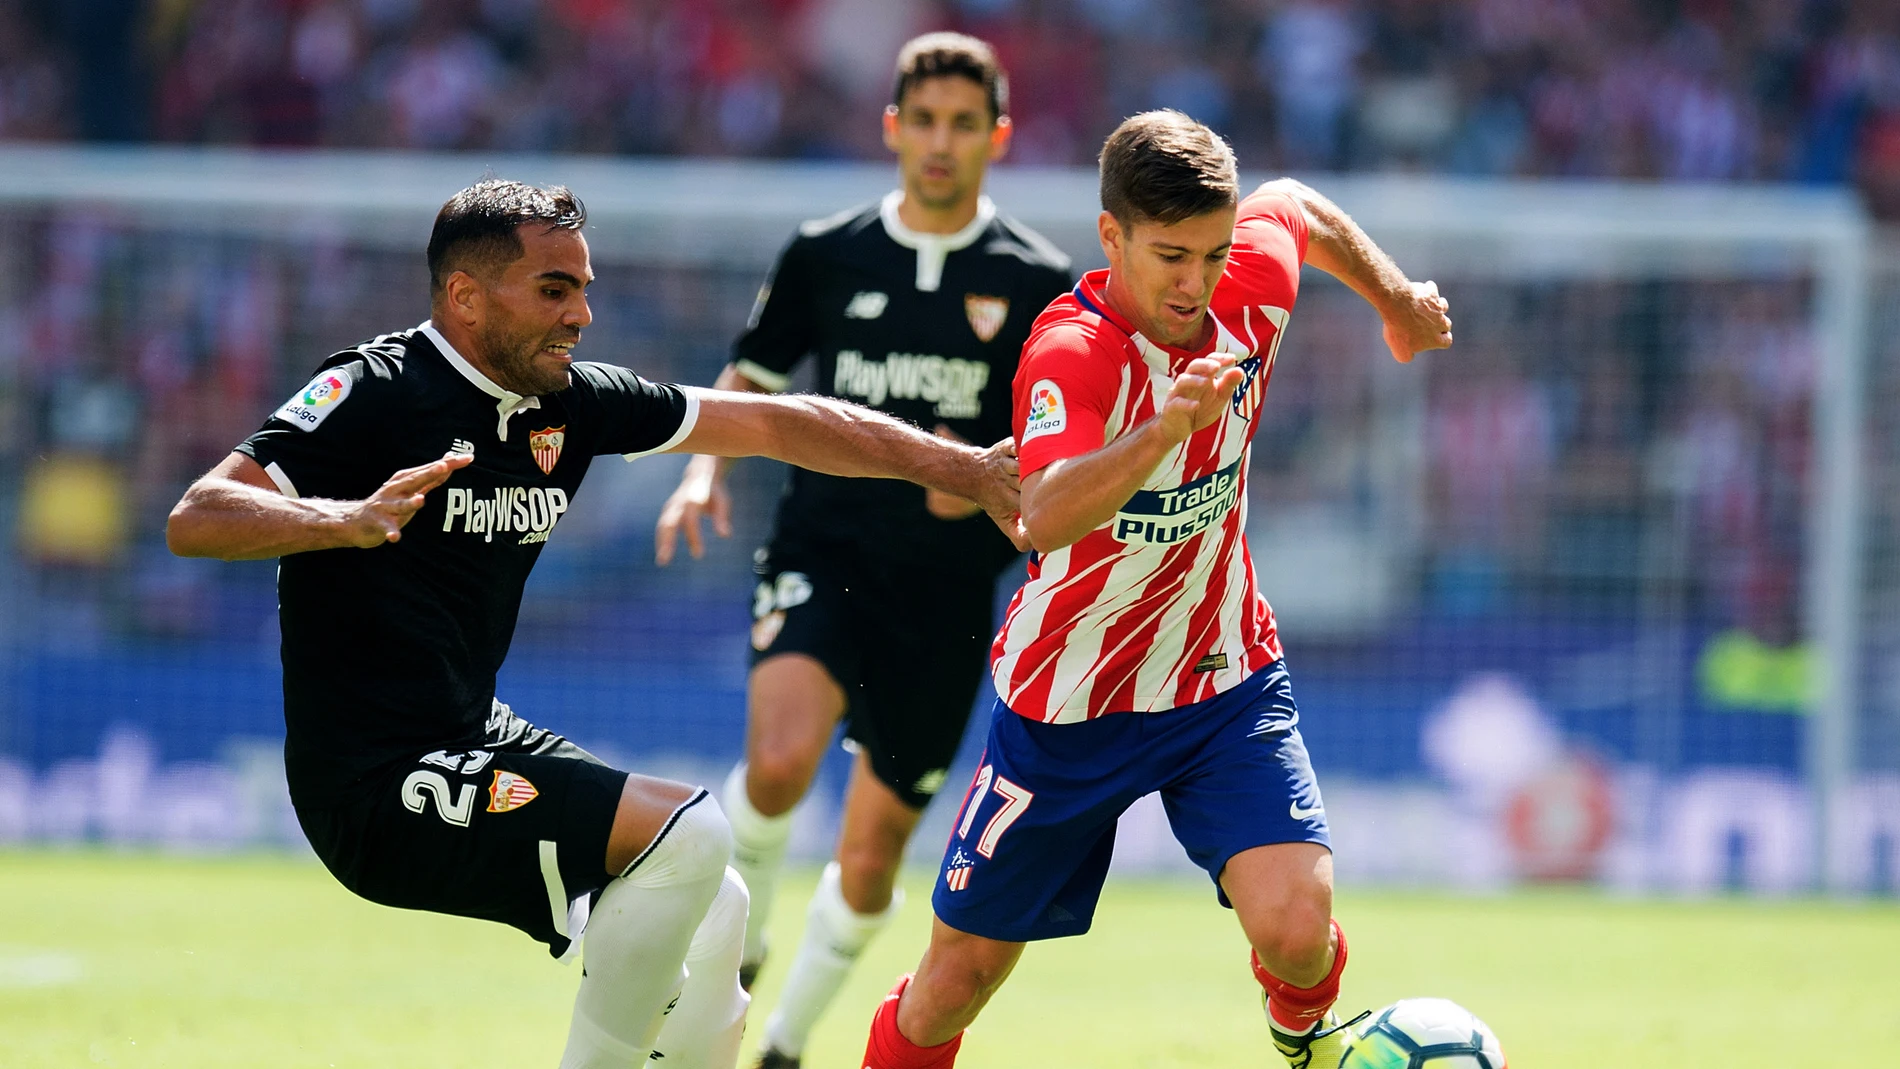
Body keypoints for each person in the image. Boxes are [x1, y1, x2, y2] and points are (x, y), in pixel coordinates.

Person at [164, 179, 1024, 1069]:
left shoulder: (572, 407)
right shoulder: (375, 389)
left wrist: (959, 467)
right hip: (373, 783)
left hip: (469, 737)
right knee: (690, 831)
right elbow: (197, 514)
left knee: (718, 899)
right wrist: (338, 520)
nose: (580, 314)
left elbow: (776, 421)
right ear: (464, 296)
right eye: (552, 289)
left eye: (583, 288)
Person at [857, 111, 1454, 1069]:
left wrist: (1393, 300)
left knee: (1299, 925)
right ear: (1113, 237)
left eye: (1213, 254)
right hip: (1066, 704)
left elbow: (1294, 207)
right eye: (1170, 256)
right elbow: (1041, 515)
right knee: (951, 987)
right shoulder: (1071, 351)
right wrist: (1162, 433)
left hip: (1220, 679)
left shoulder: (1245, 289)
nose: (1196, 281)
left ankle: (1302, 1039)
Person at [652, 33, 1070, 1069]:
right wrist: (703, 468)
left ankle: (786, 1042)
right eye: (922, 120)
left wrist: (988, 493)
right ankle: (741, 948)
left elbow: (1050, 442)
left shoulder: (1037, 282)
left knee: (874, 859)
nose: (940, 142)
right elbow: (747, 375)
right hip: (821, 547)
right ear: (891, 128)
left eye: (963, 124)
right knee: (780, 759)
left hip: (944, 591)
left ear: (996, 138)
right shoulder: (825, 249)